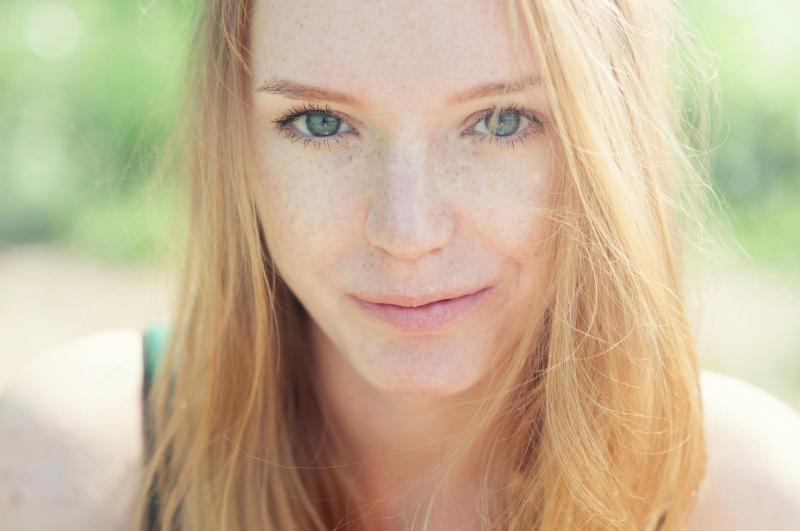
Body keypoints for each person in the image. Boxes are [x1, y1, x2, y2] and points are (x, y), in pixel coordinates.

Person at [2, 0, 799, 530]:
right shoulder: (66, 473)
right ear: (235, 138)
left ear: (609, 138)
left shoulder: (750, 499)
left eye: (500, 120)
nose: (406, 231)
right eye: (321, 123)